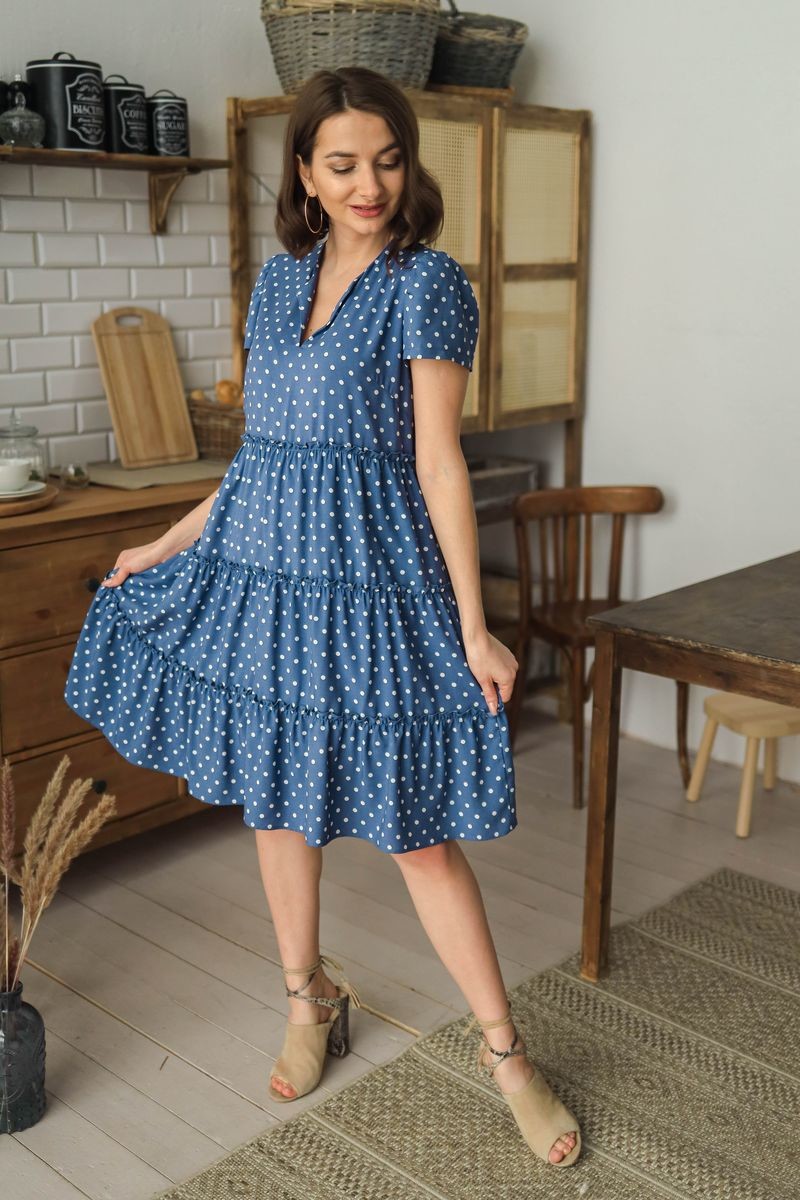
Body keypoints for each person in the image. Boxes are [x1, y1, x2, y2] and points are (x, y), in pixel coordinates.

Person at [63, 66, 581, 1169]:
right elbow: (263, 461)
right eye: (342, 164)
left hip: (374, 589)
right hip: (266, 584)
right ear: (304, 172)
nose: (368, 185)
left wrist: (474, 624)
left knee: (419, 837)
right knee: (277, 808)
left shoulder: (425, 284)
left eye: (386, 161)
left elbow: (439, 465)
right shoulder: (276, 285)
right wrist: (165, 542)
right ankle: (307, 998)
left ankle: (506, 1056)